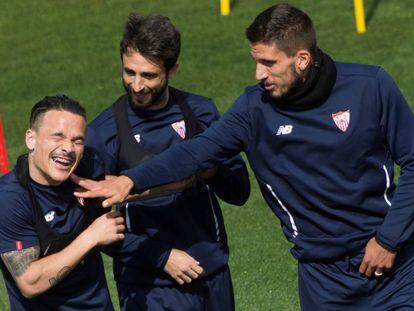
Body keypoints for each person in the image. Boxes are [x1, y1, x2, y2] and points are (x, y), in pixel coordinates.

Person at [74, 3, 414, 310]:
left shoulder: (370, 87)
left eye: (268, 63)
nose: (258, 74)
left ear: (302, 59)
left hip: (394, 267)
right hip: (322, 280)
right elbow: (196, 151)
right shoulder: (254, 109)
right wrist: (131, 179)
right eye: (256, 61)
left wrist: (388, 239)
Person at [81, 13, 250, 311]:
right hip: (149, 285)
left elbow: (239, 191)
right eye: (129, 72)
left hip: (211, 272)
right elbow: (95, 225)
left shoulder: (201, 112)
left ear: (173, 71)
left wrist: (205, 170)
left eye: (148, 75)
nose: (136, 85)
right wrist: (161, 257)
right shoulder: (104, 132)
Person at [0, 95, 125, 310]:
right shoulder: (10, 198)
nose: (68, 148)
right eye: (57, 137)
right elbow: (30, 283)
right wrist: (92, 236)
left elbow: (121, 187)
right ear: (31, 139)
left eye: (77, 140)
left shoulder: (88, 167)